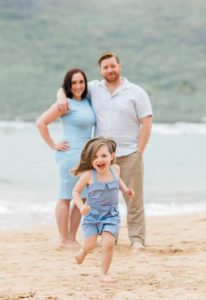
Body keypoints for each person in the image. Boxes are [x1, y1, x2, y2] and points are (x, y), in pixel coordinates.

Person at [57, 51, 152, 249]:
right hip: (103, 158)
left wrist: (139, 151)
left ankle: (137, 240)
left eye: (112, 66)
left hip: (129, 153)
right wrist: (60, 95)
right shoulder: (93, 88)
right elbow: (70, 87)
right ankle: (110, 237)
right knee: (104, 200)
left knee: (133, 199)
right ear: (100, 70)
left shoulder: (136, 92)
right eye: (105, 67)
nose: (110, 70)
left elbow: (146, 122)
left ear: (119, 66)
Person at [36, 68, 95, 248]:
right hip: (69, 155)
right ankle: (63, 239)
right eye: (73, 83)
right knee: (65, 197)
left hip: (85, 157)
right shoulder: (65, 103)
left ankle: (72, 237)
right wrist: (53, 144)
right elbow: (41, 122)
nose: (78, 86)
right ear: (68, 85)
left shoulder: (87, 102)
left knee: (82, 197)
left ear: (85, 84)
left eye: (81, 82)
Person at [71, 137, 135, 282]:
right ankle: (84, 250)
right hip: (92, 216)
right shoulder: (88, 175)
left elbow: (118, 179)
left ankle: (103, 273)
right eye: (95, 157)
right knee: (90, 245)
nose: (100, 160)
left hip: (111, 215)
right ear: (90, 159)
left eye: (104, 156)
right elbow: (76, 192)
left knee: (109, 244)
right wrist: (82, 206)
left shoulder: (115, 169)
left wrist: (125, 190)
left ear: (112, 157)